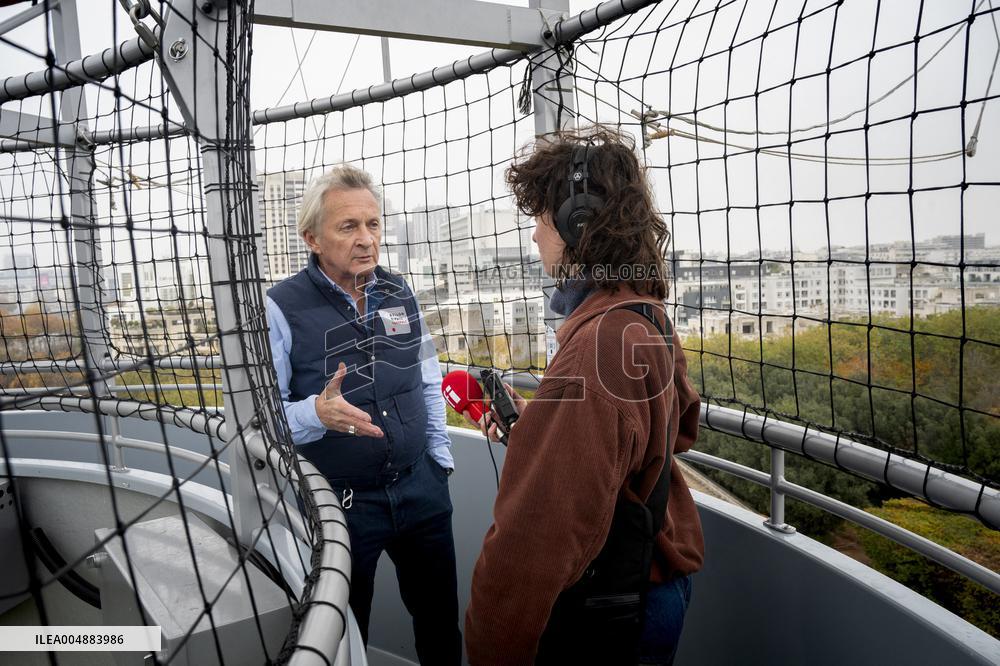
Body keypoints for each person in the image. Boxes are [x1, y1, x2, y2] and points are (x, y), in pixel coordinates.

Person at [464, 126, 704, 665]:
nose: (534, 235)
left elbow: (530, 548)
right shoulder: (643, 314)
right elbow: (676, 429)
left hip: (612, 610)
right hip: (655, 591)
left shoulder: (596, 345)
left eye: (541, 217)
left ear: (578, 223)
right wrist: (548, 423)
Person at [266, 165, 462, 664]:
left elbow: (426, 380)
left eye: (373, 224)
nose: (366, 239)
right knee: (345, 634)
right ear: (312, 238)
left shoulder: (400, 293)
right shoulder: (279, 308)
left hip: (422, 489)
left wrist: (439, 462)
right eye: (348, 226)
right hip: (342, 506)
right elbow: (262, 419)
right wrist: (315, 412)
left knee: (440, 622)